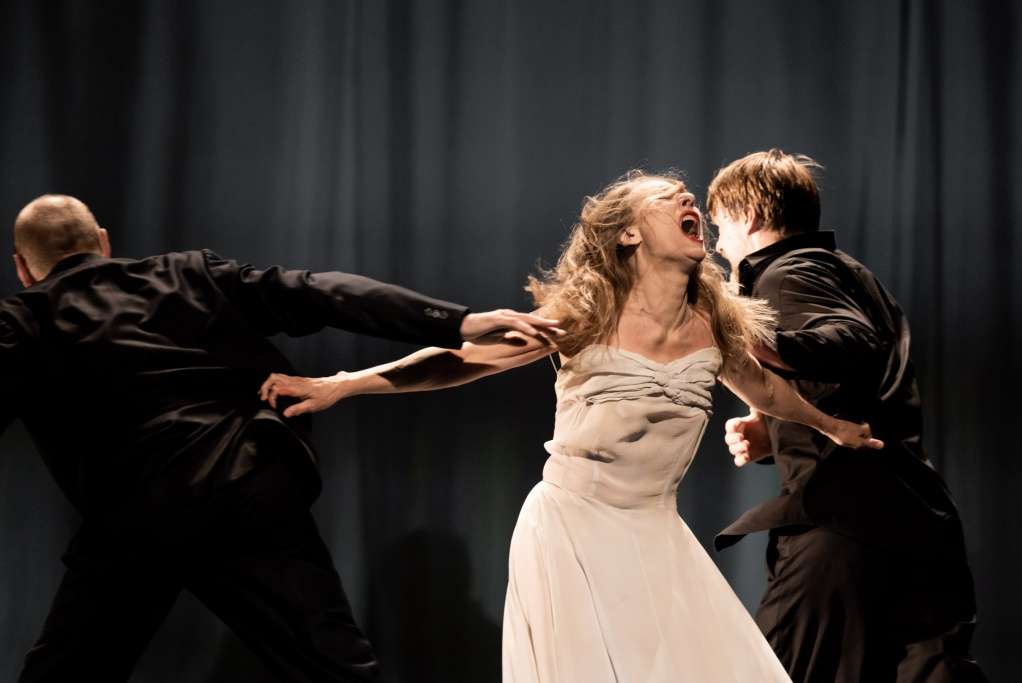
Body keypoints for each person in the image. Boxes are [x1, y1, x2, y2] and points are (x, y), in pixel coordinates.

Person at [259, 171, 884, 682]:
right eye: (671, 200)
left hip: (656, 532)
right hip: (572, 528)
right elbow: (454, 364)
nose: (689, 201)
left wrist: (829, 426)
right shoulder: (585, 316)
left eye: (688, 197)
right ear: (630, 236)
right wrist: (338, 384)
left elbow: (766, 388)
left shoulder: (713, 326)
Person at [0, 194, 559, 682]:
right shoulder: (185, 275)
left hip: (131, 524)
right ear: (102, 241)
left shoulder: (21, 324)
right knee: (336, 668)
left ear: (23, 268)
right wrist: (454, 320)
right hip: (241, 493)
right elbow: (322, 291)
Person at [708, 149, 987, 682]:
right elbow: (858, 375)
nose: (719, 246)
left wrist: (739, 335)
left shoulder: (786, 273)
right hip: (913, 519)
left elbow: (845, 340)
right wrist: (776, 427)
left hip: (844, 526)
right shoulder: (849, 273)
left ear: (750, 218)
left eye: (721, 226)